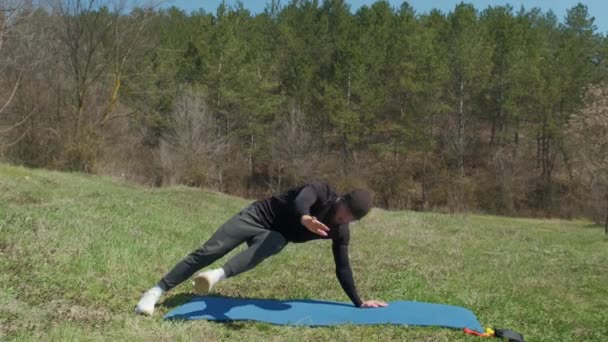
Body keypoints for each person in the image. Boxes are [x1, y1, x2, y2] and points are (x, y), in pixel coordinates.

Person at [135, 181, 388, 315]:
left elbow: (342, 267)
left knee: (277, 242)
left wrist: (359, 301)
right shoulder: (322, 191)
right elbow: (303, 199)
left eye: (350, 220)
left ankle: (215, 277)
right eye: (344, 213)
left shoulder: (340, 232)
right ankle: (155, 291)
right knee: (210, 250)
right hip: (258, 216)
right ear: (341, 200)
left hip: (273, 235)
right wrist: (304, 218)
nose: (343, 220)